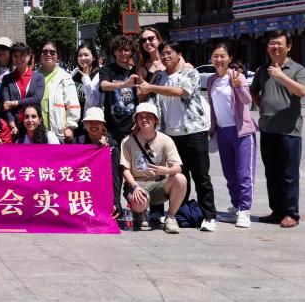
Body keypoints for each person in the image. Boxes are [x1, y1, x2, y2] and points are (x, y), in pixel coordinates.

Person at [137, 40, 217, 231]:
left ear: (179, 54)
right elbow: (151, 101)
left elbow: (182, 91)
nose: (165, 57)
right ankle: (180, 213)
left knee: (201, 176)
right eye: (163, 54)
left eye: (169, 53)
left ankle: (209, 216)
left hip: (194, 132)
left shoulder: (190, 72)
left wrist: (151, 87)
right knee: (179, 176)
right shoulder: (159, 77)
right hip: (171, 135)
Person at [251, 30, 305, 229]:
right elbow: (253, 91)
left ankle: (291, 213)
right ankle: (277, 211)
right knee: (272, 173)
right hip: (268, 130)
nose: (275, 47)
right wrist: (262, 106)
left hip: (289, 131)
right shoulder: (262, 70)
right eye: (272, 43)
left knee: (289, 174)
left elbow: (302, 91)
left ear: (288, 46)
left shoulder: (298, 69)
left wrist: (280, 75)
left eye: (279, 43)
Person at [206, 42, 256, 228]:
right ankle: (236, 206)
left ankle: (244, 210)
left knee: (244, 173)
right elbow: (213, 106)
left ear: (230, 58)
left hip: (241, 131)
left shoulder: (237, 76)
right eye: (215, 56)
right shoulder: (211, 80)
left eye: (222, 56)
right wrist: (212, 129)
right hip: (222, 131)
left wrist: (239, 86)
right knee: (229, 173)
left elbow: (247, 100)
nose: (218, 60)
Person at [120, 102, 187, 234]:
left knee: (180, 179)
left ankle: (170, 217)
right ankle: (140, 212)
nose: (144, 119)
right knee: (140, 202)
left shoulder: (166, 140)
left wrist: (167, 170)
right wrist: (135, 186)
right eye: (140, 116)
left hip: (158, 184)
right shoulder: (127, 141)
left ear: (156, 120)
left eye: (148, 116)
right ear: (136, 120)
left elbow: (178, 167)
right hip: (137, 184)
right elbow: (125, 169)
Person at [74, 107, 122, 218]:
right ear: (85, 124)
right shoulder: (76, 142)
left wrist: (116, 202)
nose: (94, 125)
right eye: (90, 122)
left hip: (102, 188)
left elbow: (115, 175)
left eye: (97, 122)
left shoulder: (112, 145)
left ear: (103, 124)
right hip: (81, 186)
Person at [0, 42, 44, 138]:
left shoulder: (38, 77)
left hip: (33, 123)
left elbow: (37, 99)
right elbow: (6, 105)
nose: (18, 58)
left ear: (28, 56)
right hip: (15, 125)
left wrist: (15, 103)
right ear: (12, 58)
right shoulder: (7, 78)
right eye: (15, 56)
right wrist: (11, 123)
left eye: (22, 55)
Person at [37, 41, 80, 143]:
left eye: (52, 52)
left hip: (59, 132)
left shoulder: (65, 77)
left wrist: (70, 127)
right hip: (37, 131)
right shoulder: (34, 76)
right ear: (40, 55)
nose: (48, 54)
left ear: (58, 56)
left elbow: (72, 104)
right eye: (45, 52)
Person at [99, 35, 139, 144]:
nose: (123, 53)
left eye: (126, 50)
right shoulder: (106, 70)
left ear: (131, 52)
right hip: (111, 128)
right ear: (114, 52)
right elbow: (104, 85)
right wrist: (125, 84)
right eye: (119, 50)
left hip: (133, 127)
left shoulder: (136, 71)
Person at [71, 43, 103, 137]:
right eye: (80, 55)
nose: (83, 58)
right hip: (75, 120)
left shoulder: (99, 75)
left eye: (86, 55)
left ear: (93, 57)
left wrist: (85, 78)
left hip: (90, 121)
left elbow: (94, 102)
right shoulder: (75, 73)